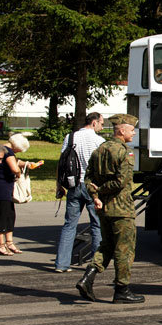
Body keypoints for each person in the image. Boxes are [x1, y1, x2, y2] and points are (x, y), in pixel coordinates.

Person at [75, 114, 144, 304]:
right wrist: (102, 191)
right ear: (121, 131)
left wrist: (96, 196)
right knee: (125, 250)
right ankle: (122, 289)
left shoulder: (100, 149)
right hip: (121, 209)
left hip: (103, 208)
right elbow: (121, 182)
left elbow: (88, 178)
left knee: (106, 246)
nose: (134, 134)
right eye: (131, 130)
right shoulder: (125, 152)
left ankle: (87, 277)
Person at [55, 113, 105, 273]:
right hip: (92, 186)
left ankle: (61, 264)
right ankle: (96, 264)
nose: (102, 127)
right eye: (102, 124)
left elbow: (61, 162)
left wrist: (59, 185)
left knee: (69, 225)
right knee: (97, 225)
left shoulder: (70, 137)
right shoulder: (99, 141)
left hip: (73, 184)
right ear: (94, 122)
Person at [0, 134, 40, 256]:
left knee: (9, 214)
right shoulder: (9, 152)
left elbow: (16, 162)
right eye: (21, 149)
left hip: (0, 185)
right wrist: (19, 174)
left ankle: (8, 242)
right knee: (4, 215)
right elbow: (14, 167)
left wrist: (28, 164)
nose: (20, 151)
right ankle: (1, 245)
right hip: (3, 186)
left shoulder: (3, 149)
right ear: (17, 146)